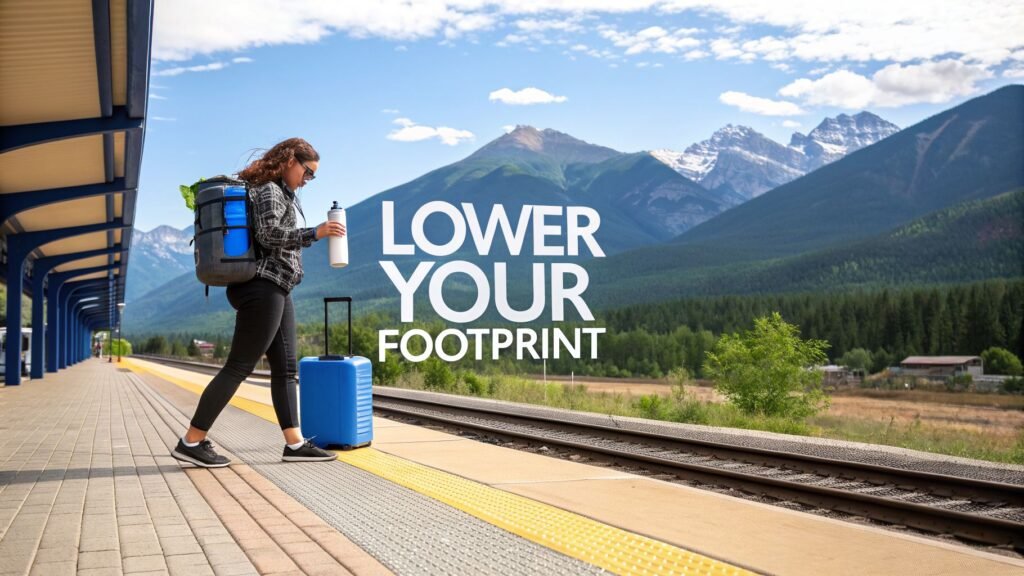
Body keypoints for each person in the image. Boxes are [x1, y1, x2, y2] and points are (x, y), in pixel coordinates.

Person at [171, 138, 346, 468]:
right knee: (239, 366)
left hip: (279, 287)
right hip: (262, 287)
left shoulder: (282, 192)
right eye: (307, 172)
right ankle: (191, 440)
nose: (308, 180)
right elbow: (268, 234)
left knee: (286, 369)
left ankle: (294, 444)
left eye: (313, 176)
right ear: (290, 161)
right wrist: (315, 233)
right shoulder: (268, 189)